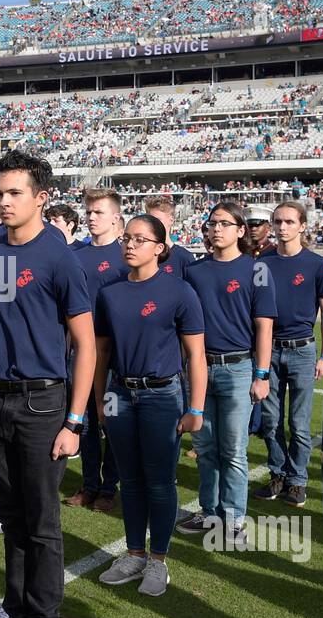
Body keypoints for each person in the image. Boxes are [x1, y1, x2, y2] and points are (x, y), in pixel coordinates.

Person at [0, 150, 94, 618]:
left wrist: (75, 421)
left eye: (15, 192)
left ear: (41, 198)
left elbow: (85, 343)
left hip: (43, 403)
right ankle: (15, 607)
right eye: (0, 192)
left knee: (42, 520)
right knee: (11, 514)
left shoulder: (60, 257)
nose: (5, 201)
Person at [95, 214, 207, 596]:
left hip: (162, 395)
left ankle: (158, 561)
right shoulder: (109, 292)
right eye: (126, 237)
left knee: (160, 481)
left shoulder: (180, 291)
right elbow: (102, 351)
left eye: (139, 239)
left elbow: (195, 356)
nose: (129, 244)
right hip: (120, 394)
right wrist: (99, 400)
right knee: (130, 479)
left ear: (160, 248)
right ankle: (134, 553)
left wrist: (196, 407)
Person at [176, 201, 276, 545]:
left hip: (238, 368)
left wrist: (261, 374)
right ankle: (209, 511)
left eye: (223, 223)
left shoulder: (256, 269)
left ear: (240, 230)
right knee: (205, 446)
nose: (216, 229)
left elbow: (264, 327)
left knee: (233, 449)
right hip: (199, 368)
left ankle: (233, 520)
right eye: (211, 223)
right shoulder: (195, 271)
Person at [252, 200, 323, 507]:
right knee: (271, 421)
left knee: (299, 423)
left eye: (288, 222)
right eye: (278, 222)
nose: (282, 227)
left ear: (301, 225)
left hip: (302, 351)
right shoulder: (263, 262)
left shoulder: (316, 264)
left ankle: (297, 482)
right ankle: (277, 475)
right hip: (269, 351)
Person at [64, 188, 126, 512]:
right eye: (88, 212)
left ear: (116, 217)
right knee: (84, 421)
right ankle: (89, 485)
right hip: (82, 352)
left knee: (111, 420)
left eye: (98, 212)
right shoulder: (77, 256)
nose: (91, 217)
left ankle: (109, 488)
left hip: (116, 355)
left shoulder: (125, 256)